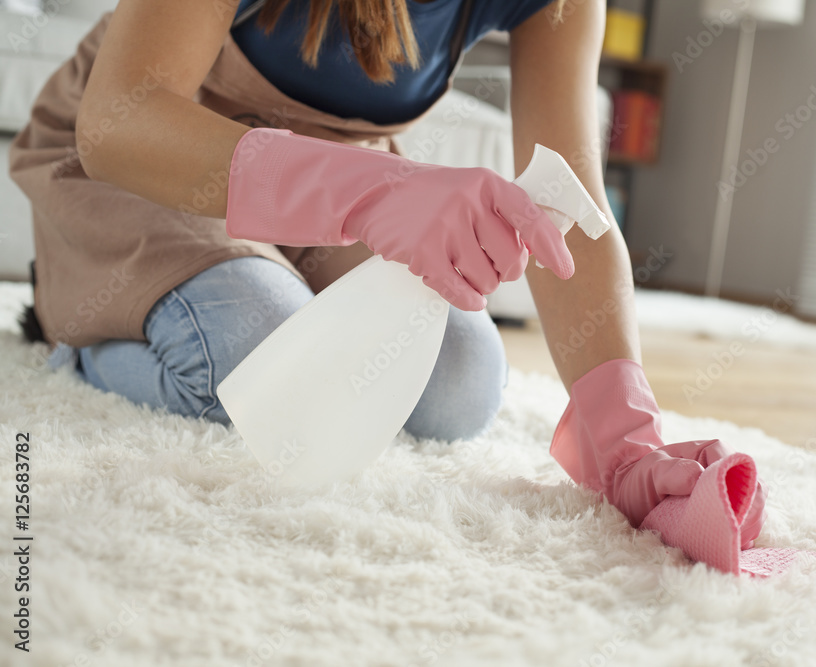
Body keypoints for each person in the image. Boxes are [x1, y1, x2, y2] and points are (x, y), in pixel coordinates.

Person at [9, 0, 765, 544]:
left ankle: (252, 284)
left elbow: (574, 201)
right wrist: (380, 196)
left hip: (334, 183)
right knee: (259, 359)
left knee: (462, 384)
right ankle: (81, 329)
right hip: (165, 161)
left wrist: (626, 437)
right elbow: (121, 125)